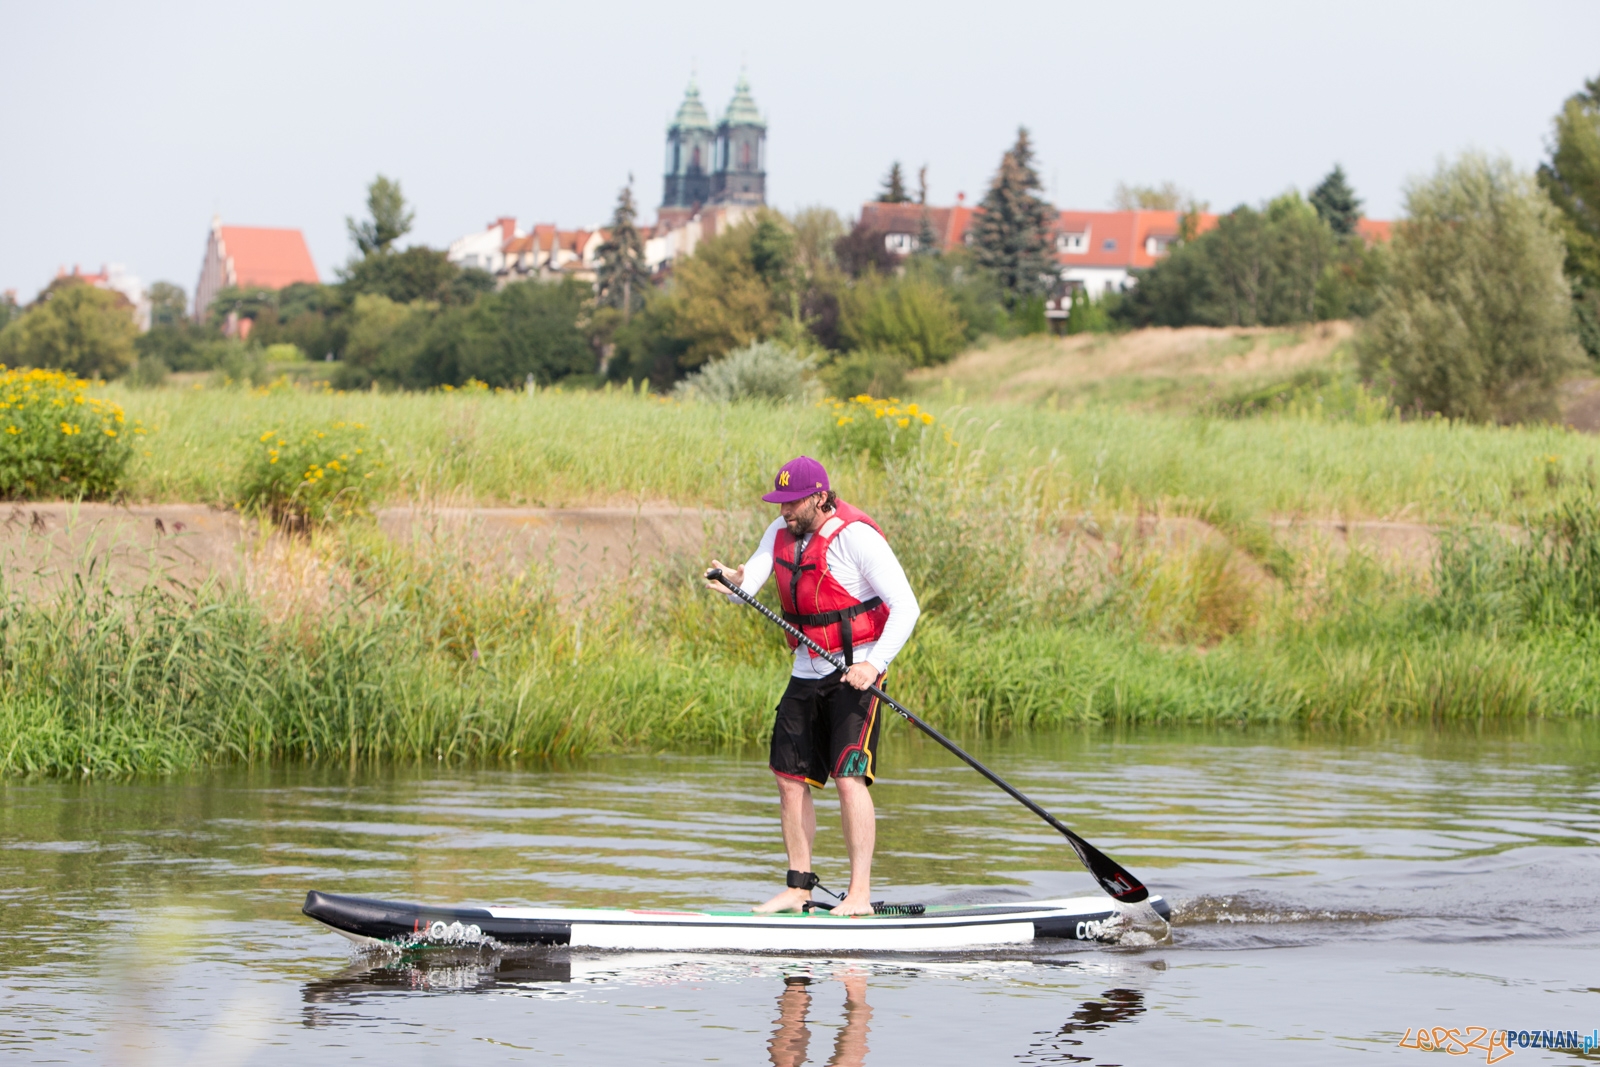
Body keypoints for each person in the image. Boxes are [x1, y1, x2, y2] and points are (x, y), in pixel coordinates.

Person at [706, 456, 920, 916]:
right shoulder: (779, 532)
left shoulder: (856, 537)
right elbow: (755, 576)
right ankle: (799, 887)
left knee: (848, 777)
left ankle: (858, 895)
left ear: (820, 496)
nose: (784, 511)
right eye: (779, 501)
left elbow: (906, 606)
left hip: (857, 671)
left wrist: (873, 664)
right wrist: (735, 582)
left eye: (793, 502)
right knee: (788, 778)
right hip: (807, 669)